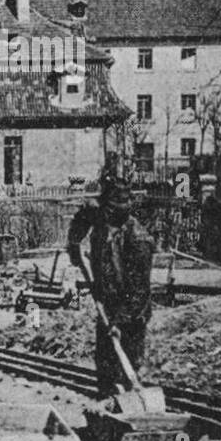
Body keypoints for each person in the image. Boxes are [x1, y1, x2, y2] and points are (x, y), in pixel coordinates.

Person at [66, 171, 155, 400]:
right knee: (105, 368)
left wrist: (120, 321)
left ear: (122, 210)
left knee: (127, 367)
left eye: (110, 210)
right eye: (104, 208)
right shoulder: (101, 216)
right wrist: (74, 242)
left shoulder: (139, 240)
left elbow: (139, 291)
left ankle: (130, 412)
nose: (104, 214)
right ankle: (106, 417)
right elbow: (83, 216)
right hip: (106, 302)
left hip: (131, 313)